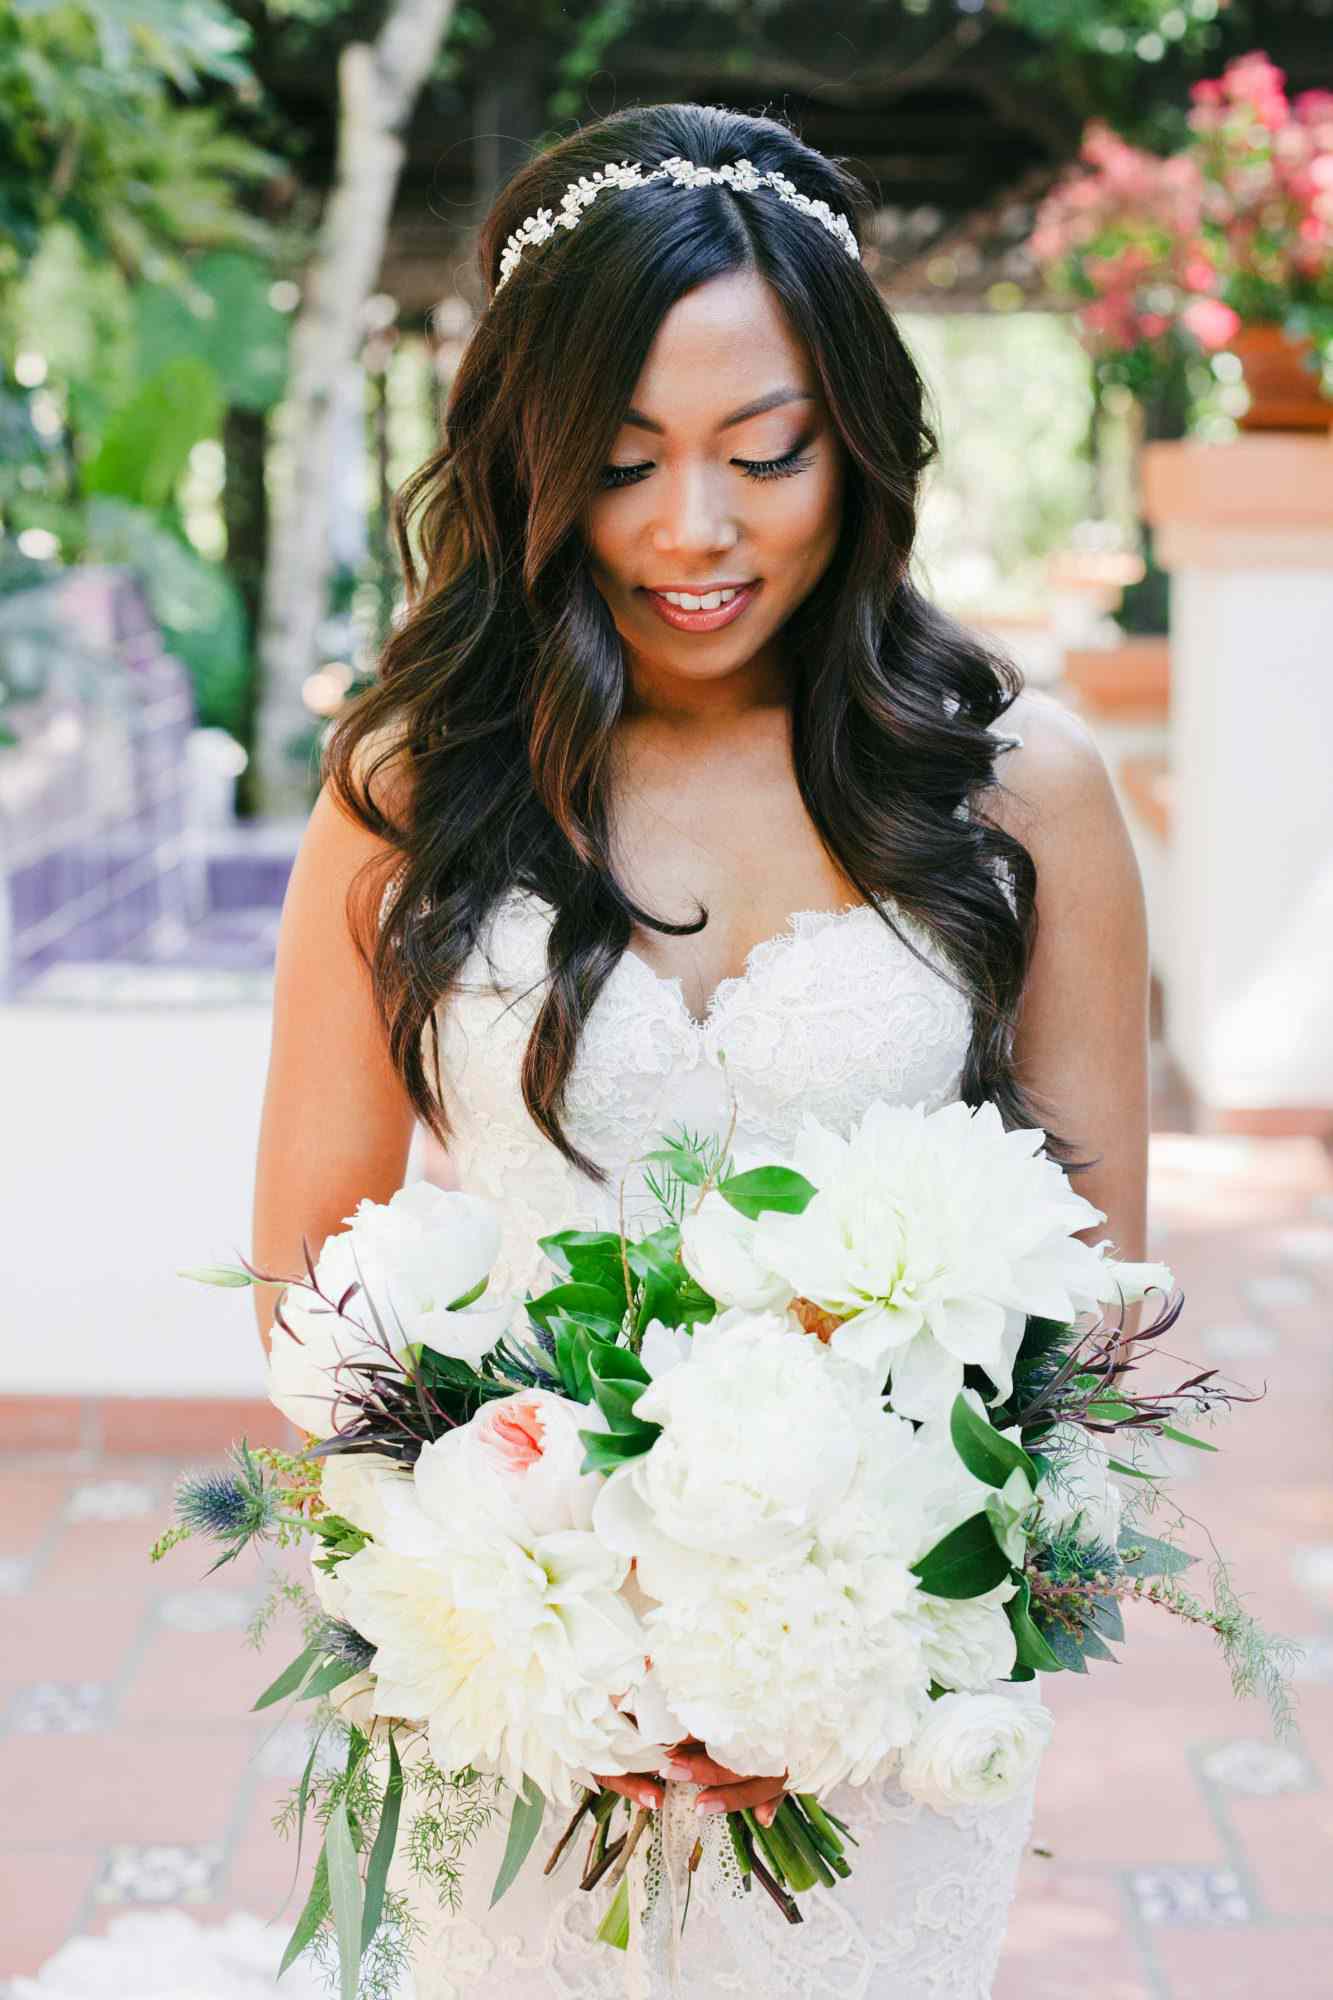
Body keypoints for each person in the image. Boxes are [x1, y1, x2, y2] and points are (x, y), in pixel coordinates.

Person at [253, 101, 1150, 2000]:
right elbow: (310, 1281)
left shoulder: (1025, 796)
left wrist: (853, 1646)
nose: (694, 528)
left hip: (880, 1707)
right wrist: (511, 1601)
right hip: (520, 1696)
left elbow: (1078, 1319)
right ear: (529, 460)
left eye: (767, 452)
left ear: (857, 437)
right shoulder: (408, 793)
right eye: (622, 460)